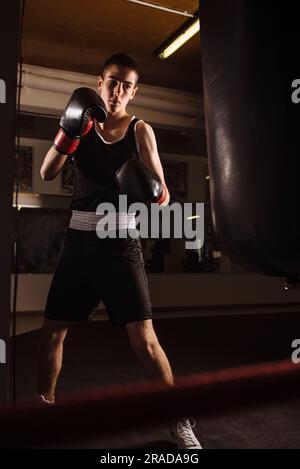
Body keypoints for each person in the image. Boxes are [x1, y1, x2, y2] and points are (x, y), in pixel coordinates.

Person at [38, 53, 202, 449]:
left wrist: (146, 186)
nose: (119, 91)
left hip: (120, 242)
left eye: (127, 85)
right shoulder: (83, 121)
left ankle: (177, 418)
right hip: (78, 242)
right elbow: (47, 172)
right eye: (113, 82)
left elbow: (162, 198)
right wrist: (69, 131)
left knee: (144, 340)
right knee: (52, 335)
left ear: (134, 91)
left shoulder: (141, 130)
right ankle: (44, 411)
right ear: (99, 82)